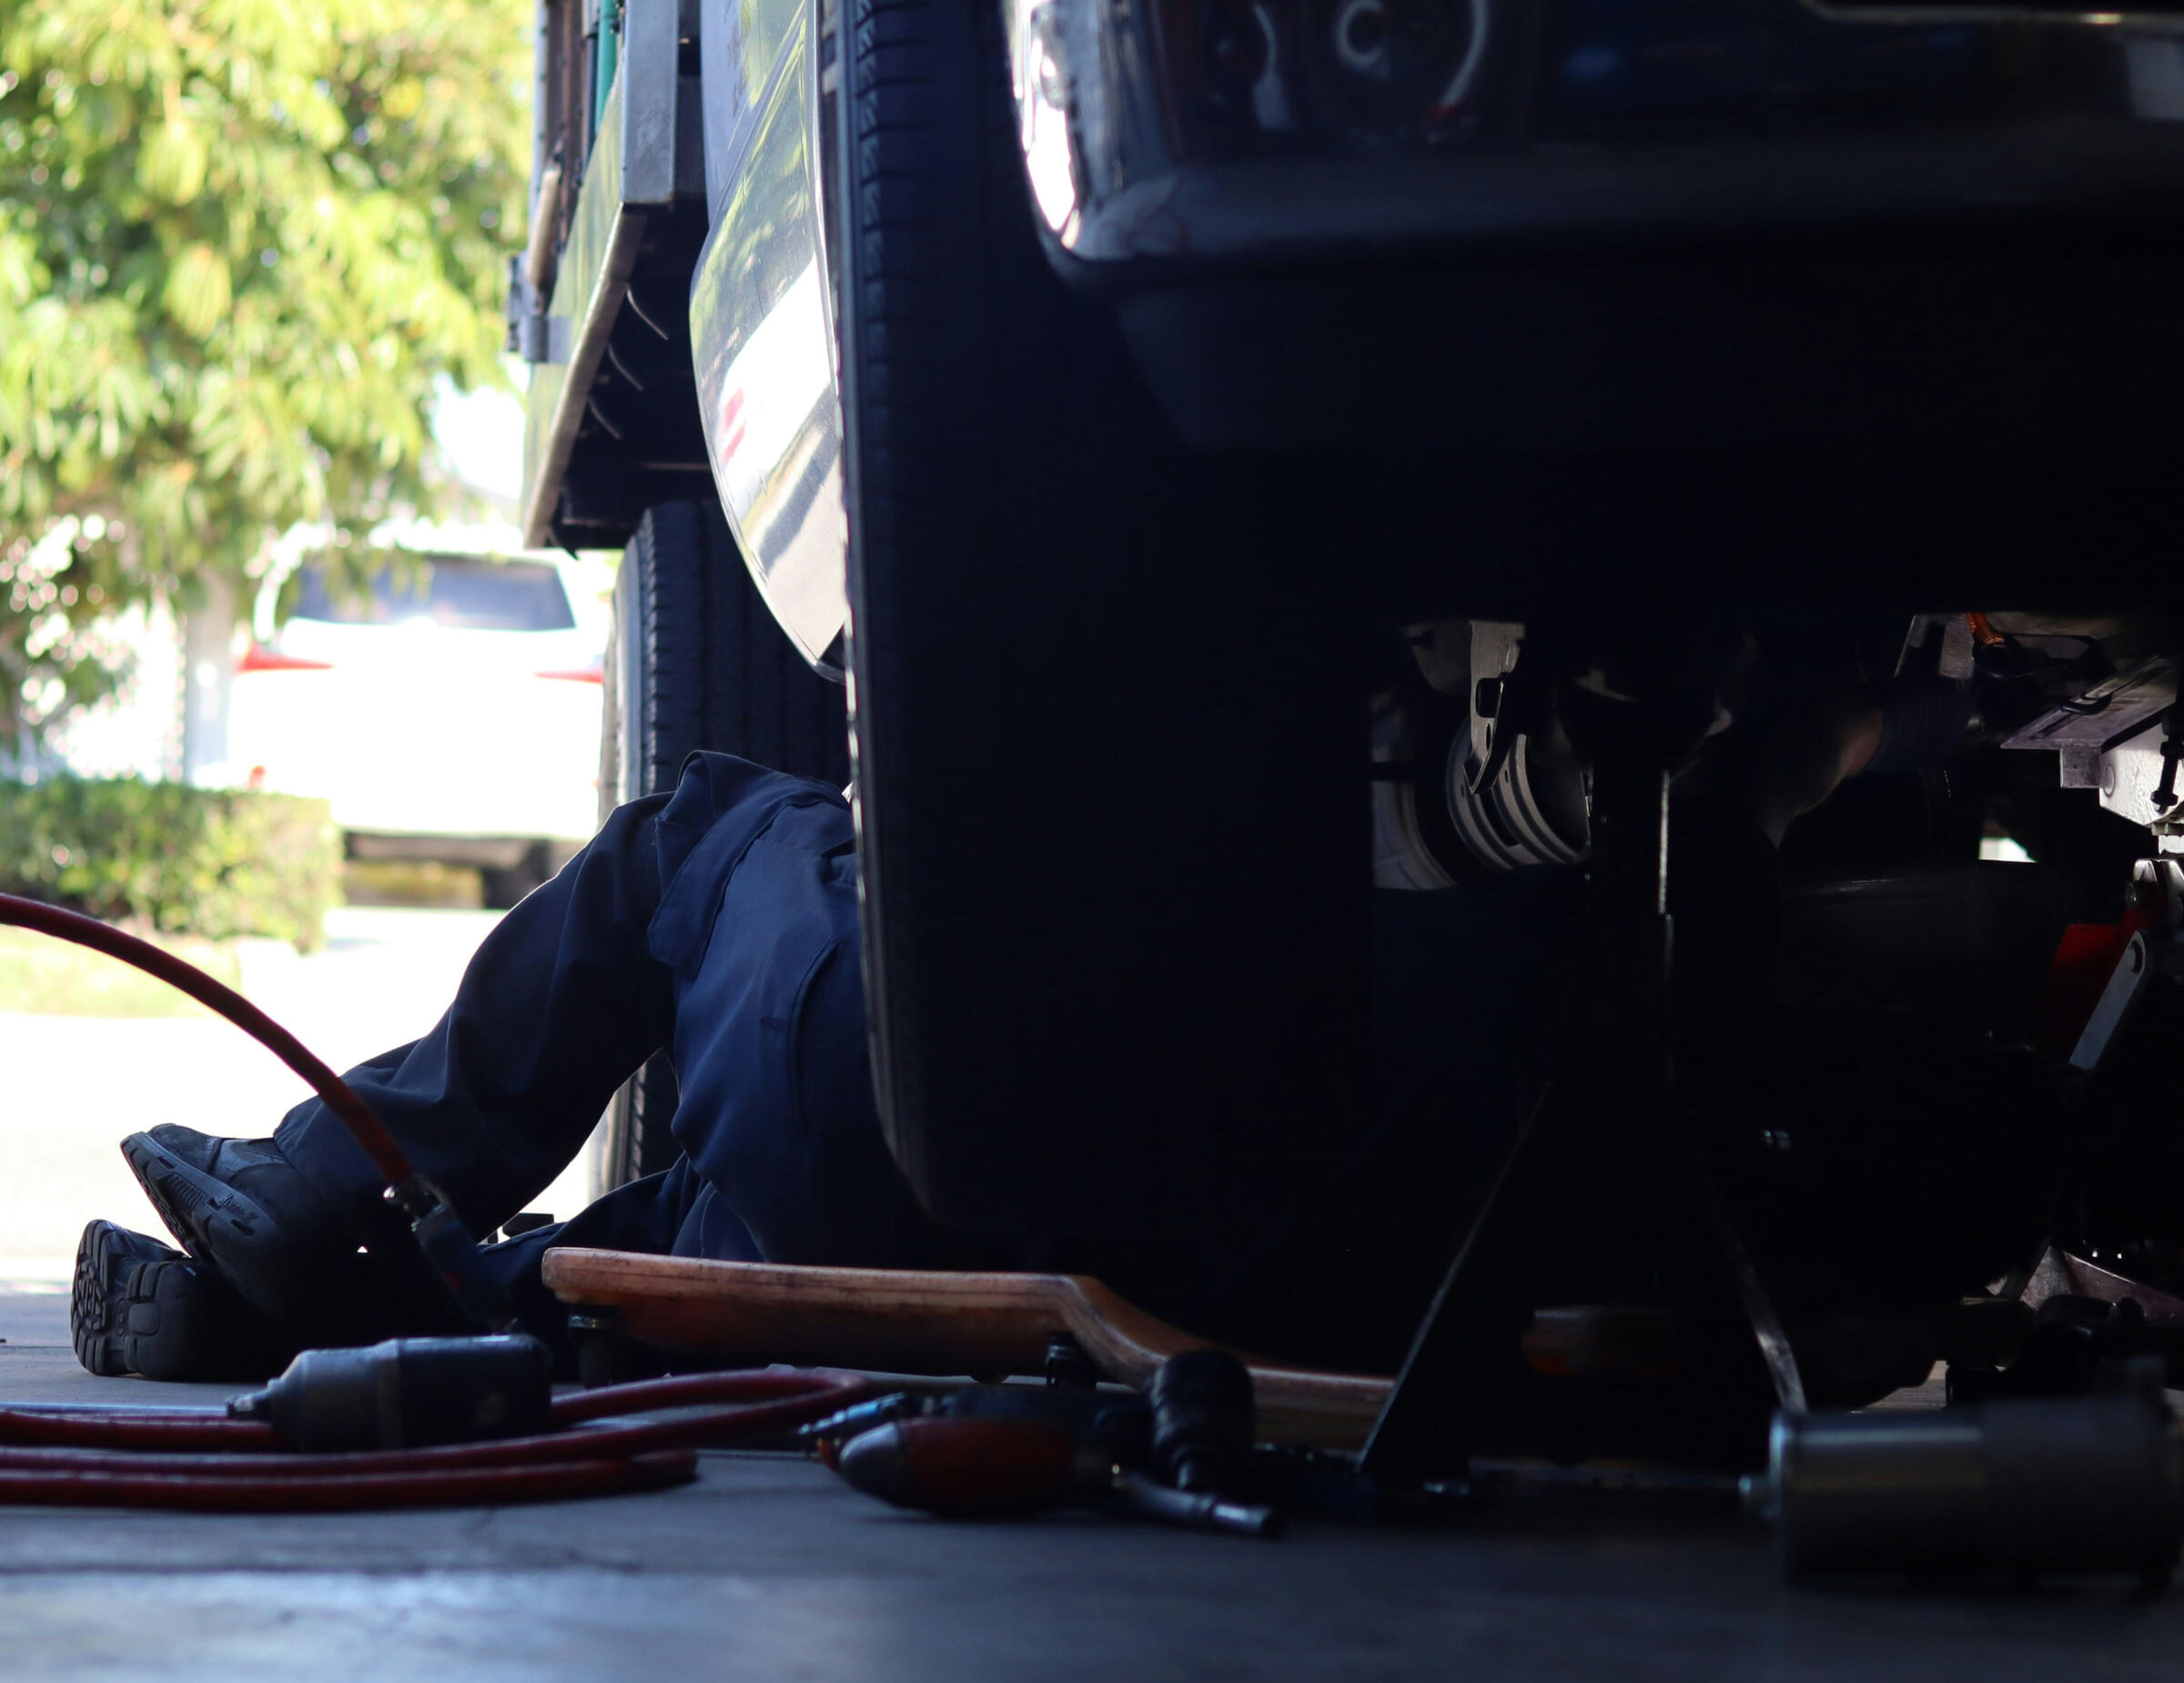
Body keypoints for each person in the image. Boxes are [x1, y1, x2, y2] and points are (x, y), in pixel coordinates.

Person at [71, 678, 1967, 1387]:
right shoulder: (1653, 1174)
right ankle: (453, 1301)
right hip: (984, 1269)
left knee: (711, 828)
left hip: (893, 1066)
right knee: (695, 1254)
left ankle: (338, 1191)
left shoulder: (1577, 844)